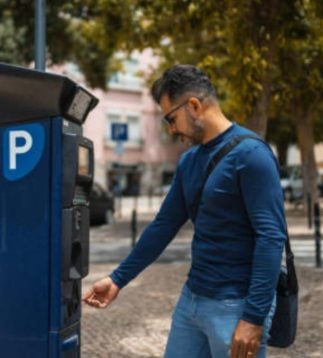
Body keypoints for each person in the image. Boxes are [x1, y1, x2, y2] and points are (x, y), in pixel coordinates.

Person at [83, 65, 287, 358]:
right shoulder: (189, 161)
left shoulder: (252, 156)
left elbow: (271, 237)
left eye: (171, 118)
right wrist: (118, 279)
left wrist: (253, 318)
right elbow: (163, 225)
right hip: (192, 301)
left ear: (194, 106)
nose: (172, 129)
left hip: (236, 306)